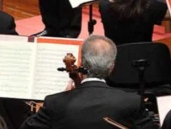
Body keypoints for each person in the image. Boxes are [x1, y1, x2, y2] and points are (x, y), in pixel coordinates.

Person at [20, 35, 157, 129]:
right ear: (112, 67)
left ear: (81, 63)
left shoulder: (55, 103)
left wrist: (63, 97)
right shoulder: (132, 101)